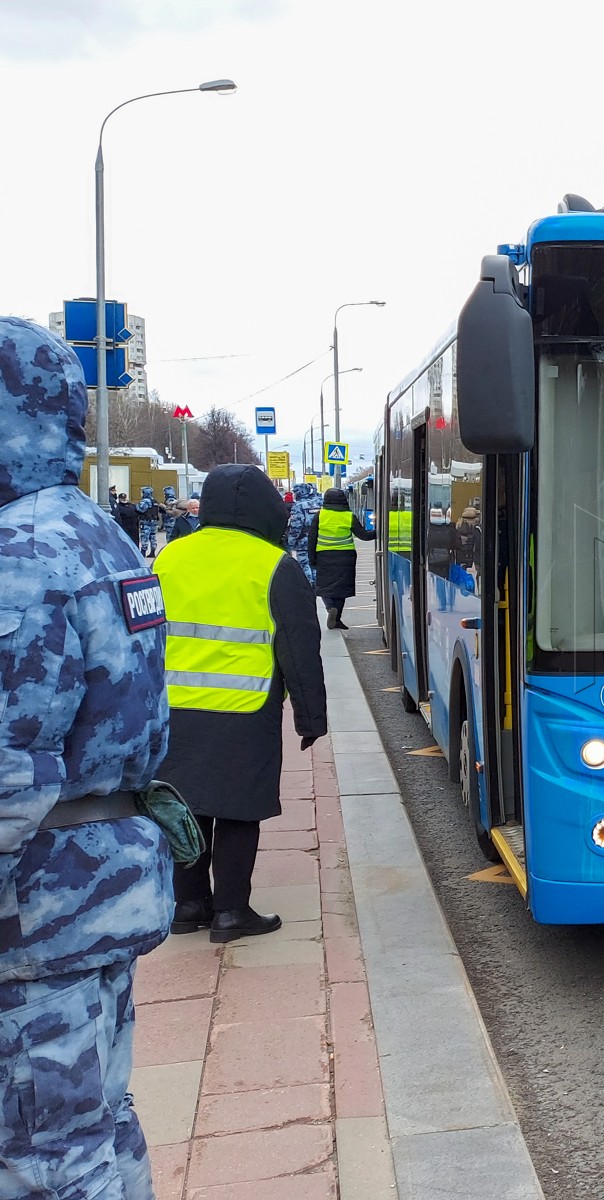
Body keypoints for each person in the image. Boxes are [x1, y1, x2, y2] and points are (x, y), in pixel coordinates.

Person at [0, 317, 173, 1198]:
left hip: (34, 914)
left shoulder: (21, 559)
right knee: (100, 1124)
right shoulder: (97, 534)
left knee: (44, 1162)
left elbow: (7, 778)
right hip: (100, 890)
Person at [154, 465, 327, 942]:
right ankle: (231, 912)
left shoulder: (169, 558)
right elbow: (298, 646)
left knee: (183, 807)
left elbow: (140, 636)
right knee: (236, 811)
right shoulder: (274, 564)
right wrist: (311, 718)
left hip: (173, 710)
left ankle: (187, 905)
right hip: (245, 711)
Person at [308, 487, 375, 629]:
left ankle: (330, 608)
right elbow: (363, 536)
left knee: (325, 588)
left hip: (324, 557)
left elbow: (312, 538)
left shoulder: (320, 515)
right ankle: (337, 619)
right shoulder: (348, 516)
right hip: (346, 558)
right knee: (341, 589)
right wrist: (380, 531)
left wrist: (312, 559)